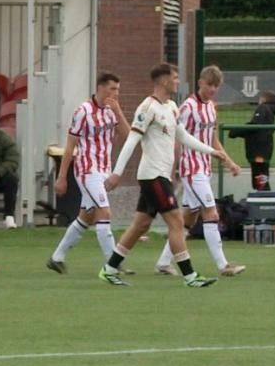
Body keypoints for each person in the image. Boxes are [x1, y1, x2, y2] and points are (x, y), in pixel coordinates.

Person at [100, 63, 234, 287]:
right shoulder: (147, 107)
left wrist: (212, 151)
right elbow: (132, 140)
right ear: (163, 80)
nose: (177, 81)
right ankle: (190, 276)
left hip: (161, 175)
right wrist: (116, 173)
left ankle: (109, 269)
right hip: (153, 175)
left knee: (141, 224)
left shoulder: (171, 107)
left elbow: (183, 136)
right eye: (174, 78)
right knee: (177, 222)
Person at [153, 66, 245, 277]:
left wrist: (229, 162)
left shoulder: (212, 107)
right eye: (209, 84)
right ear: (200, 82)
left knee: (187, 220)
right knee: (211, 213)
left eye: (216, 86)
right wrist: (173, 169)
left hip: (204, 168)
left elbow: (212, 138)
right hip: (192, 169)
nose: (212, 89)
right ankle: (223, 266)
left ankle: (163, 262)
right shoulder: (188, 107)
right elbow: (178, 138)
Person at [46, 72, 130, 274]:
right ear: (100, 87)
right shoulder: (83, 111)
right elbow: (70, 145)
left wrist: (118, 111)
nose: (116, 93)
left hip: (104, 169)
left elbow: (128, 136)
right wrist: (62, 177)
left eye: (118, 89)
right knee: (105, 213)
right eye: (112, 88)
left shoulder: (111, 111)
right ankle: (113, 264)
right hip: (87, 170)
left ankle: (56, 258)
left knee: (87, 216)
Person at [230, 90, 275, 191]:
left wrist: (236, 131)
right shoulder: (270, 112)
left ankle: (264, 198)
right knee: (261, 179)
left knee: (260, 180)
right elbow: (257, 130)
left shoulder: (263, 108)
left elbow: (255, 126)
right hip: (264, 150)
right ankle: (263, 196)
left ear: (264, 99)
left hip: (258, 151)